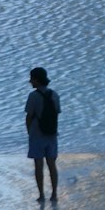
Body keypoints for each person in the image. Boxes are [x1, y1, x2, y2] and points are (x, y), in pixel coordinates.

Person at [26, 67, 60, 202]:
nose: (30, 82)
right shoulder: (54, 94)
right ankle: (54, 194)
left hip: (37, 134)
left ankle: (41, 195)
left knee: (38, 165)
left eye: (32, 79)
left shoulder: (33, 96)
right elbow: (57, 112)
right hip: (52, 133)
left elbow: (29, 116)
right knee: (52, 164)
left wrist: (29, 132)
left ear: (36, 80)